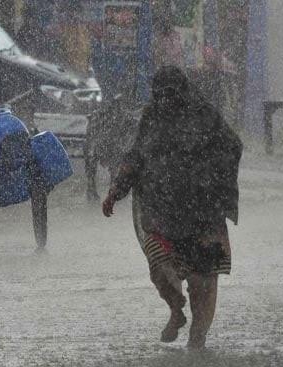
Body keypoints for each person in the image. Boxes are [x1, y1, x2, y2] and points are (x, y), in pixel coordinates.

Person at [102, 66, 242, 350]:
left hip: (203, 215)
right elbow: (136, 155)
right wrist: (116, 190)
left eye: (171, 93)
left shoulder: (206, 116)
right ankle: (177, 311)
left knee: (203, 281)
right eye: (160, 94)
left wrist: (212, 180)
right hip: (161, 214)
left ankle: (198, 339)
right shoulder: (151, 118)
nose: (166, 99)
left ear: (183, 91)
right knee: (161, 267)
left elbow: (232, 148)